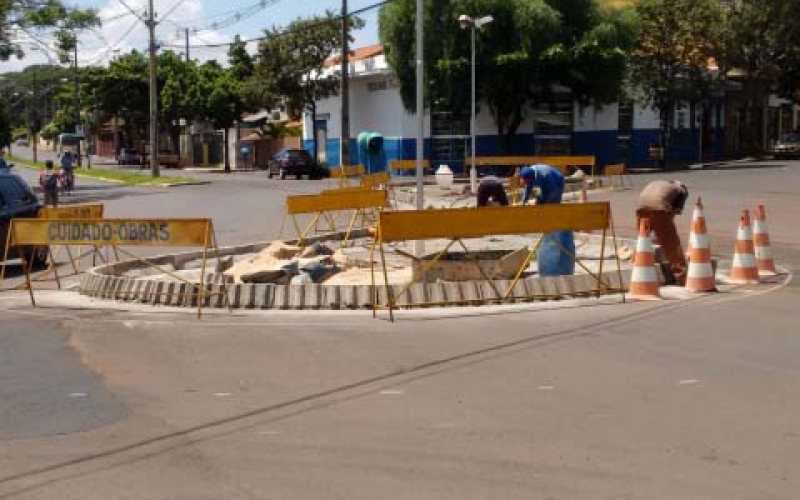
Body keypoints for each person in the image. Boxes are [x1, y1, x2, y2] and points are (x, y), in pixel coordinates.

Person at [636, 180, 689, 285]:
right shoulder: (681, 191)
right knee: (672, 244)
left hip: (641, 208)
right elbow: (675, 211)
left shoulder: (658, 183)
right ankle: (682, 277)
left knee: (642, 242)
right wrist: (665, 232)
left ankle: (636, 266)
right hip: (659, 208)